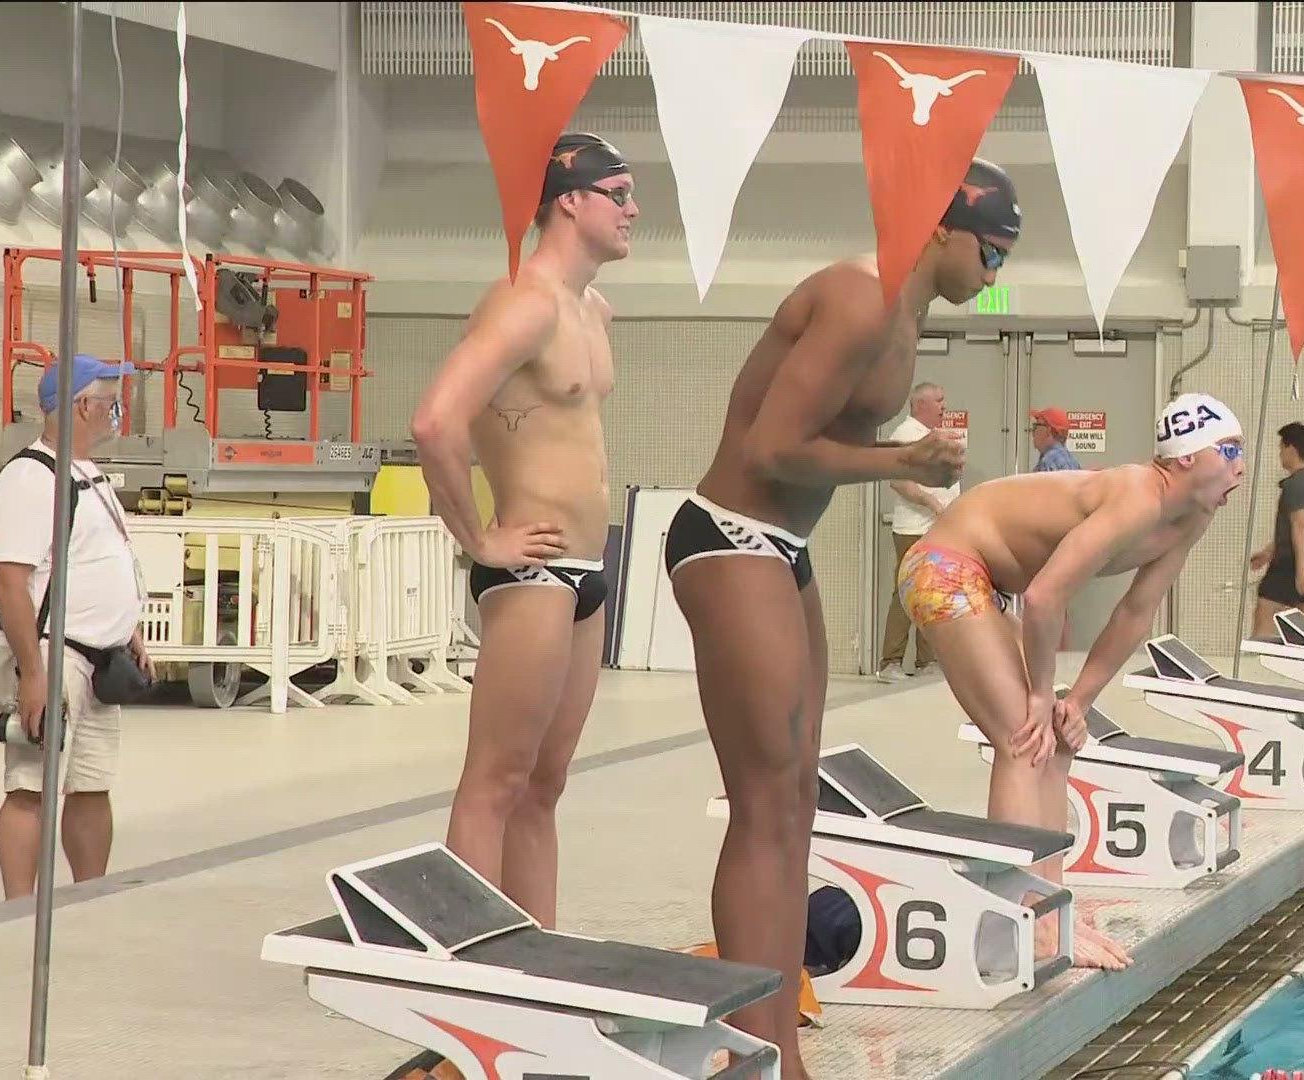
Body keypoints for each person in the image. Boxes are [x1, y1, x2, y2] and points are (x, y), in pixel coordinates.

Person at [664, 158, 1016, 1079]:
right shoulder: (860, 298)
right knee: (763, 807)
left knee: (794, 806)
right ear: (943, 226)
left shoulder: (910, 311)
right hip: (731, 537)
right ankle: (754, 1057)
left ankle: (776, 1048)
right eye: (993, 249)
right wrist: (912, 457)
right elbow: (771, 447)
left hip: (783, 549)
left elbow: (826, 445)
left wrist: (911, 458)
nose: (998, 272)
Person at [897, 392, 1247, 970]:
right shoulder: (1136, 495)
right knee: (1023, 739)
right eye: (1228, 450)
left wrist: (1077, 700)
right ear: (1185, 458)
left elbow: (1137, 611)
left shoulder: (1192, 518)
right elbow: (1044, 597)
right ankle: (1019, 921)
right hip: (946, 565)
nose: (1240, 466)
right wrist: (1041, 692)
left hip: (988, 582)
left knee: (1054, 738)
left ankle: (1046, 909)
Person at [409, 133, 635, 928]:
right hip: (531, 574)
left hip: (584, 571)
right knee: (496, 783)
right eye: (620, 192)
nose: (634, 210)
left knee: (545, 787)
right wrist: (479, 539)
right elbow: (436, 421)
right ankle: (471, 978)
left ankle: (538, 968)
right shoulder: (525, 301)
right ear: (570, 198)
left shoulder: (592, 307)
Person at [0, 354, 149, 899]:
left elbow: (95, 558)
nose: (117, 413)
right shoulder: (31, 478)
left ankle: (90, 901)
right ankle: (18, 909)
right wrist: (33, 674)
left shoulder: (87, 474)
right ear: (81, 405)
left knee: (91, 785)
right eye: (110, 403)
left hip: (98, 659)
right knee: (32, 785)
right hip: (55, 656)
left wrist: (128, 629)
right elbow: (10, 582)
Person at [875, 382, 958, 681]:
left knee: (932, 593)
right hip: (914, 528)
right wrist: (932, 502)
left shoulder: (930, 436)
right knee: (906, 592)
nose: (943, 406)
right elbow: (897, 480)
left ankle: (928, 661)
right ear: (920, 404)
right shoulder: (905, 435)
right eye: (938, 400)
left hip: (939, 528)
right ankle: (890, 662)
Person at [1248, 421, 1304, 636]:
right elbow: (1301, 528)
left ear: (1291, 448)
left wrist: (1301, 569)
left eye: (1281, 447)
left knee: (1266, 607)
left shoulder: (1294, 485)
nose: (1280, 453)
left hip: (1292, 560)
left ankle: (1256, 654)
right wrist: (1267, 553)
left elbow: (1298, 527)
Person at [1030, 407, 1083, 472]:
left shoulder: (1049, 462)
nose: (1033, 432)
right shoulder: (1073, 462)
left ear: (1048, 431)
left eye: (1035, 426)